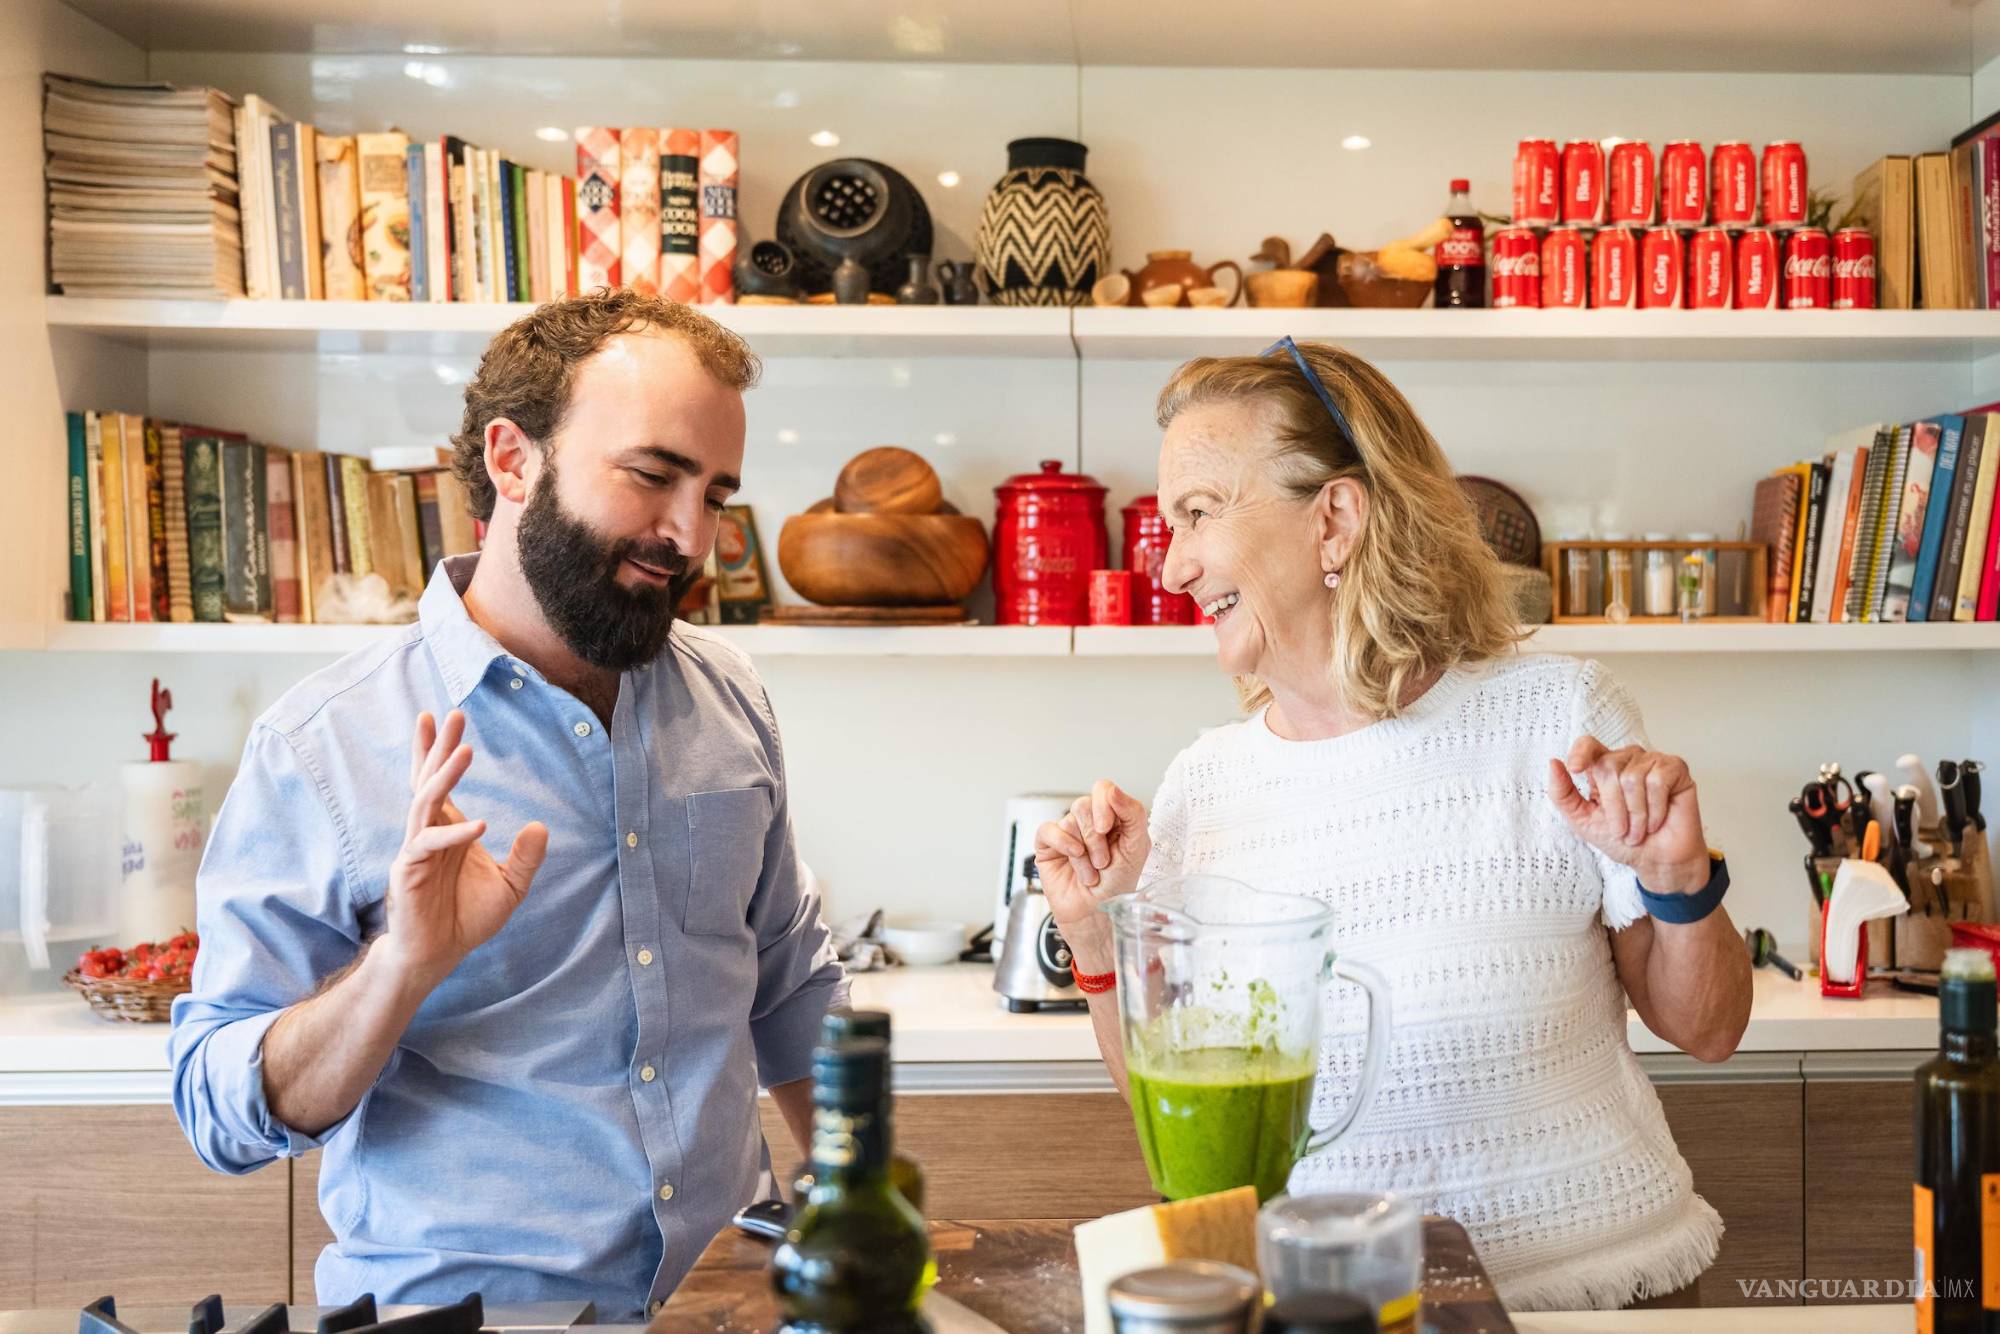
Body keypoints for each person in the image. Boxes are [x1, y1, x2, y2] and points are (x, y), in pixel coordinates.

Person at [1035, 338, 1753, 1311]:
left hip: (1585, 1296)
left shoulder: (1553, 719)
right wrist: (1094, 937)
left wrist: (1675, 879)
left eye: (1198, 512)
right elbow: (1180, 1113)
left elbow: (1706, 1027)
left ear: (1333, 518)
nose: (1172, 563)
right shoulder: (1202, 786)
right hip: (1334, 1306)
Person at [170, 290, 845, 1318]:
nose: (688, 533)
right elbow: (219, 1111)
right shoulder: (328, 744)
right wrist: (397, 969)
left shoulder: (730, 698)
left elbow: (788, 982)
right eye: (653, 475)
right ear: (512, 457)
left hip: (729, 1300)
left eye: (714, 492)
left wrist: (858, 1195)